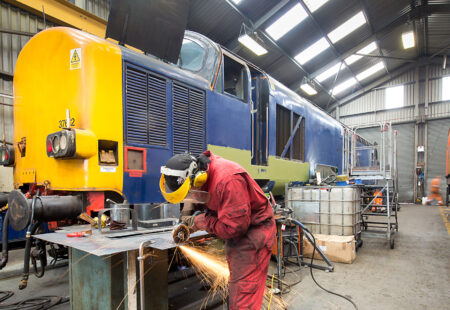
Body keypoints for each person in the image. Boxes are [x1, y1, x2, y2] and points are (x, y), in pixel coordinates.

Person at [160, 151, 275, 310]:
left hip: (254, 233)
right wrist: (186, 221)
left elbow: (234, 227)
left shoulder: (228, 180)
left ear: (198, 177)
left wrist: (199, 221)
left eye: (188, 192)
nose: (189, 197)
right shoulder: (200, 173)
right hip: (238, 228)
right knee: (235, 286)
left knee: (244, 294)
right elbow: (193, 199)